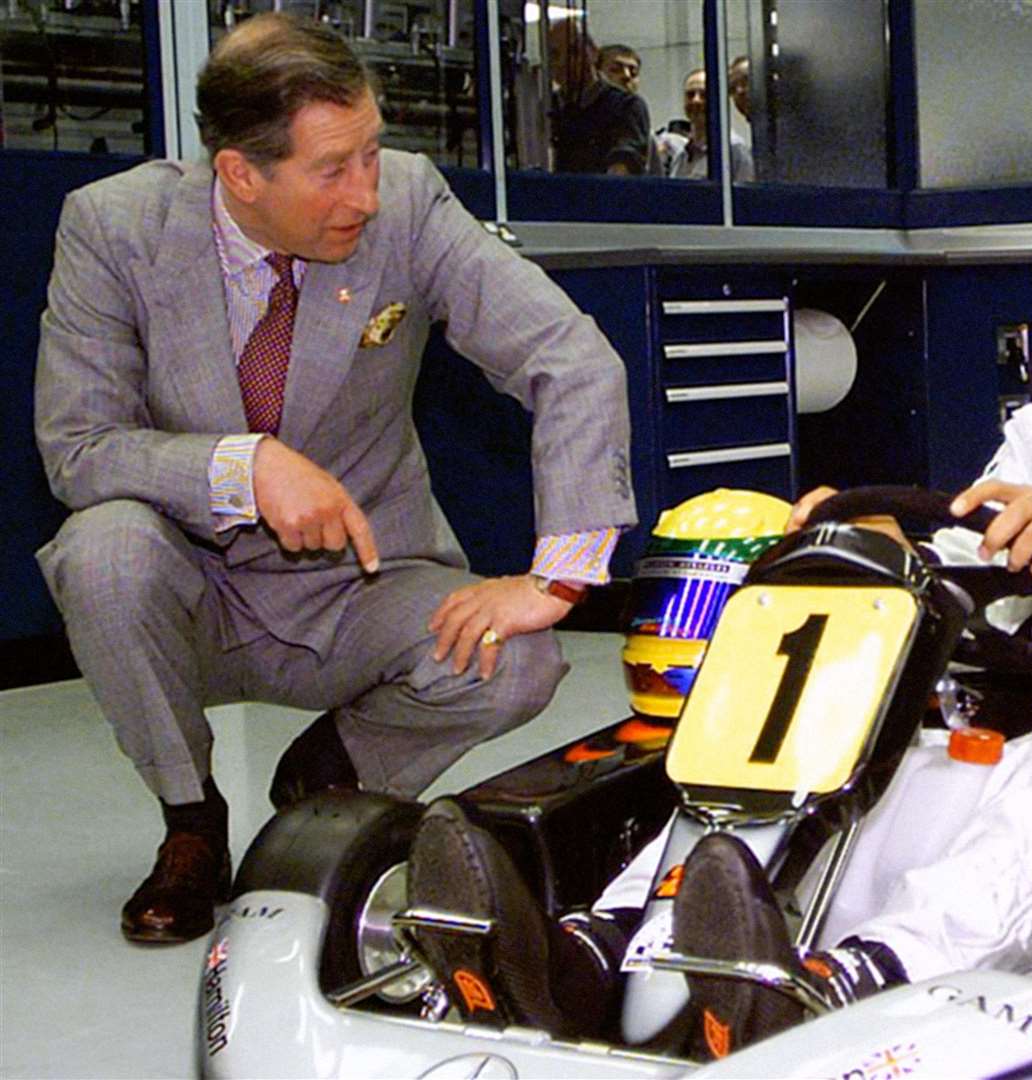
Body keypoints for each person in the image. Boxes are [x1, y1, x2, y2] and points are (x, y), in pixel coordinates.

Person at [404, 168, 1032, 1055]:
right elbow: (965, 564)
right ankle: (591, 955)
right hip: (1015, 758)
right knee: (824, 729)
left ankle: (841, 990)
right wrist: (880, 543)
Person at [33, 12, 637, 946]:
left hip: (361, 584)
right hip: (188, 588)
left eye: (370, 151)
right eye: (331, 169)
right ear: (240, 172)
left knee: (515, 658)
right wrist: (245, 466)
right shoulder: (113, 228)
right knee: (101, 550)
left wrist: (559, 574)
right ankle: (192, 823)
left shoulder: (410, 202)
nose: (364, 191)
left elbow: (571, 358)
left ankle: (331, 779)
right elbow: (78, 446)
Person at [548, 17, 652, 175]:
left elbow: (624, 162)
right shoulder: (548, 107)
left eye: (573, 51)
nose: (563, 62)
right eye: (555, 55)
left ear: (594, 53)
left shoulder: (626, 106)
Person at [655, 67, 753, 181]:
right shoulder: (681, 156)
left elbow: (746, 197)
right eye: (690, 95)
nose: (696, 100)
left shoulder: (734, 150)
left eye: (704, 95)